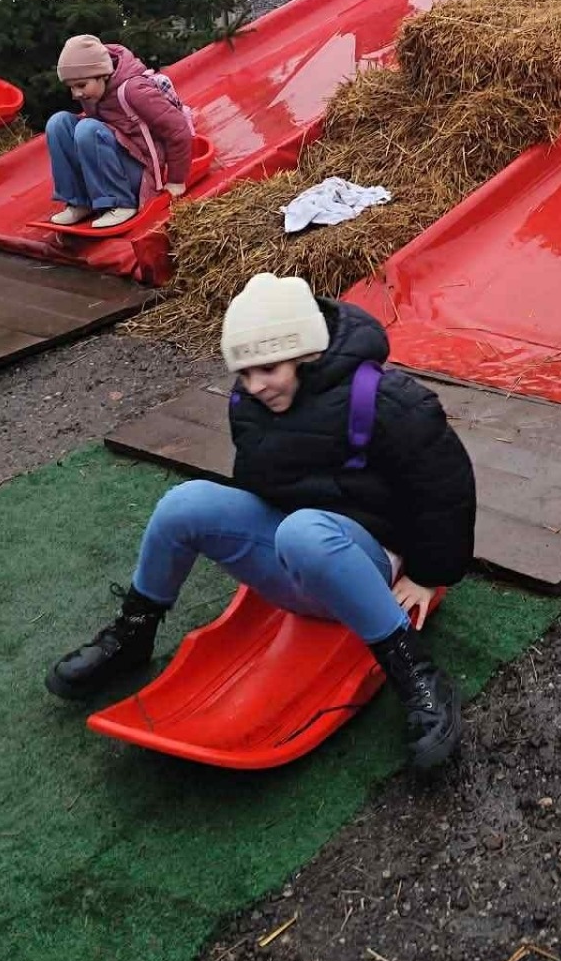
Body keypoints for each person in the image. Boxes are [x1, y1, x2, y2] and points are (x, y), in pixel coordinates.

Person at [47, 273, 475, 771]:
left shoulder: (386, 400)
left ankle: (414, 670)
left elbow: (446, 485)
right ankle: (134, 633)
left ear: (308, 352)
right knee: (185, 502)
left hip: (369, 558)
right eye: (245, 372)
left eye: (268, 368)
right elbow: (263, 485)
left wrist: (427, 573)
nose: (254, 386)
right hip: (301, 552)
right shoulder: (252, 399)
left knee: (304, 533)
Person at [46, 34, 195, 230]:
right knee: (58, 123)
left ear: (104, 74)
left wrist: (176, 180)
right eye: (71, 87)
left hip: (141, 173)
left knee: (87, 128)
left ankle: (120, 202)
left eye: (81, 85)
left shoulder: (133, 90)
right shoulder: (93, 94)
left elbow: (177, 129)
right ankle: (80, 201)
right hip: (109, 168)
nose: (76, 94)